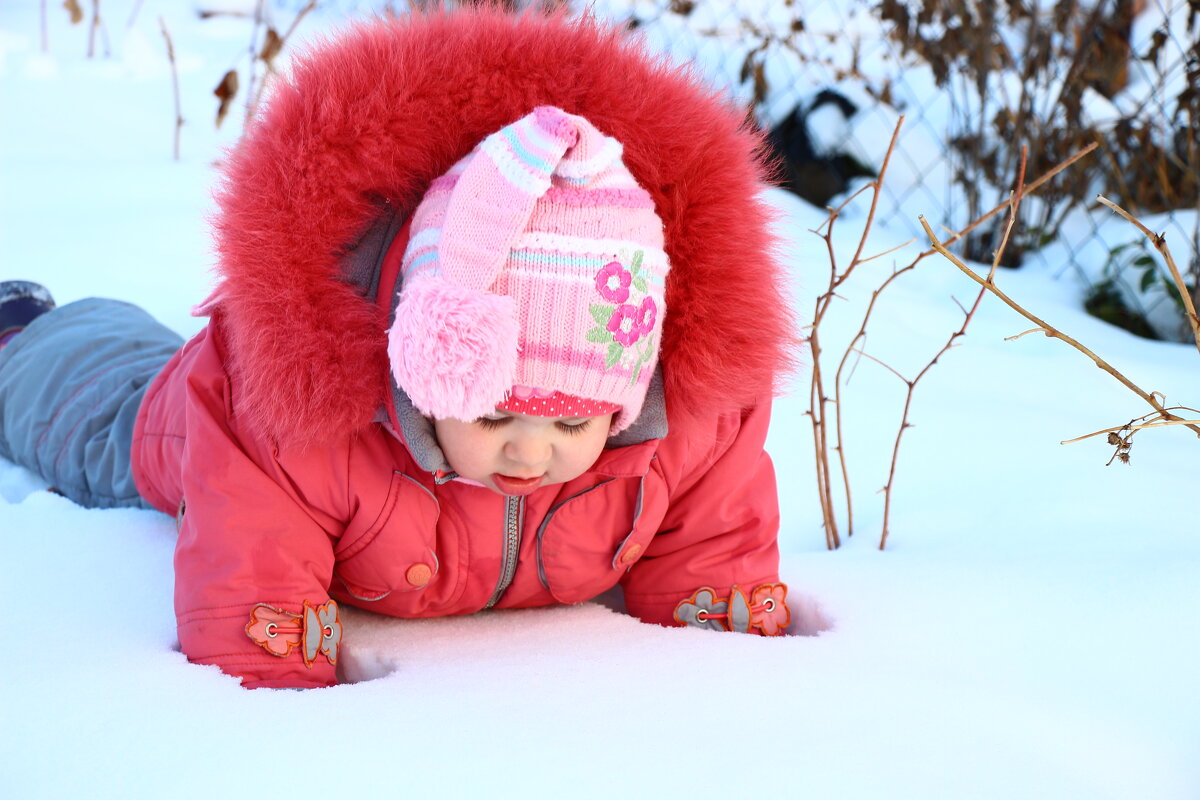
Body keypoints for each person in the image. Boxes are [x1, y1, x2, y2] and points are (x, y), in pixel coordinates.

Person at [0, 7, 797, 689]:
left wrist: (722, 657)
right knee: (109, 420)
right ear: (430, 357)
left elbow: (715, 547)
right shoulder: (295, 425)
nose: (531, 450)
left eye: (571, 425)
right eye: (493, 418)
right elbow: (255, 566)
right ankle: (27, 334)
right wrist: (273, 676)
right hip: (199, 422)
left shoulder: (686, 427)